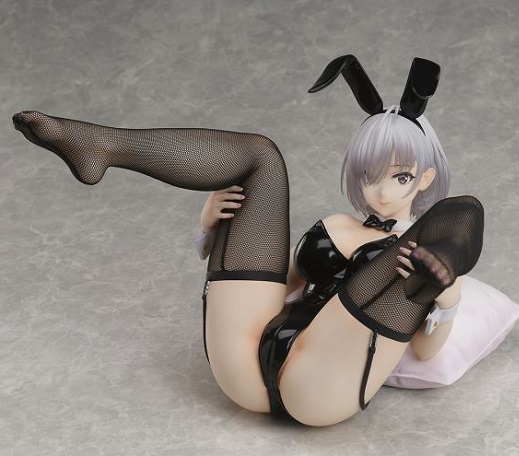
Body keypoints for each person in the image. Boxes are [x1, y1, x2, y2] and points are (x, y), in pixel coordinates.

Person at [12, 55, 483, 426]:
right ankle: (102, 146)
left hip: (321, 386)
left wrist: (448, 295)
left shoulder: (416, 248)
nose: (380, 190)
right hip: (245, 367)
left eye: (399, 176)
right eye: (369, 174)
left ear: (424, 178)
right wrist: (211, 228)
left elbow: (425, 352)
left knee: (460, 211)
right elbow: (278, 286)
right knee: (262, 156)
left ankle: (442, 265)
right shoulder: (335, 223)